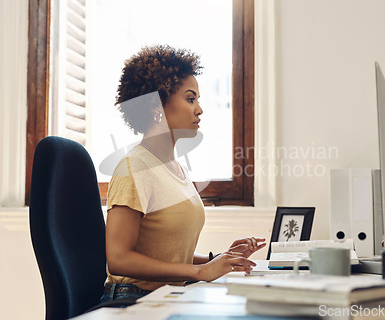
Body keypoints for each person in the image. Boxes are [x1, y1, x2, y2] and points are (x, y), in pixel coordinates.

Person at [100, 45, 266, 304]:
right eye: (190, 99)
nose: (199, 110)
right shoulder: (134, 167)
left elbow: (167, 255)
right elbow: (119, 258)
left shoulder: (174, 167)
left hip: (167, 296)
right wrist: (200, 272)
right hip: (131, 301)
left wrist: (219, 259)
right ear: (157, 107)